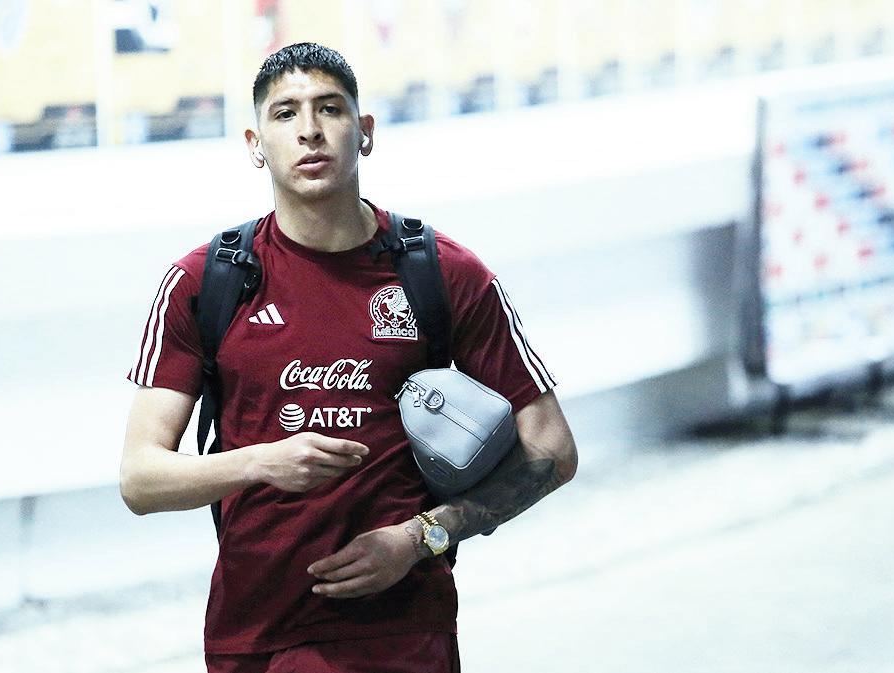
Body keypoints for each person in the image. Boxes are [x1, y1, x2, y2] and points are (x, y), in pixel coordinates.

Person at [120, 42, 578, 673]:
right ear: (256, 144)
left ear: (364, 132)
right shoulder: (207, 283)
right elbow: (140, 479)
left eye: (329, 109)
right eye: (285, 114)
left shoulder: (441, 273)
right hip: (255, 634)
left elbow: (552, 450)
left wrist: (420, 538)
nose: (309, 130)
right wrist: (261, 462)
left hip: (403, 635)